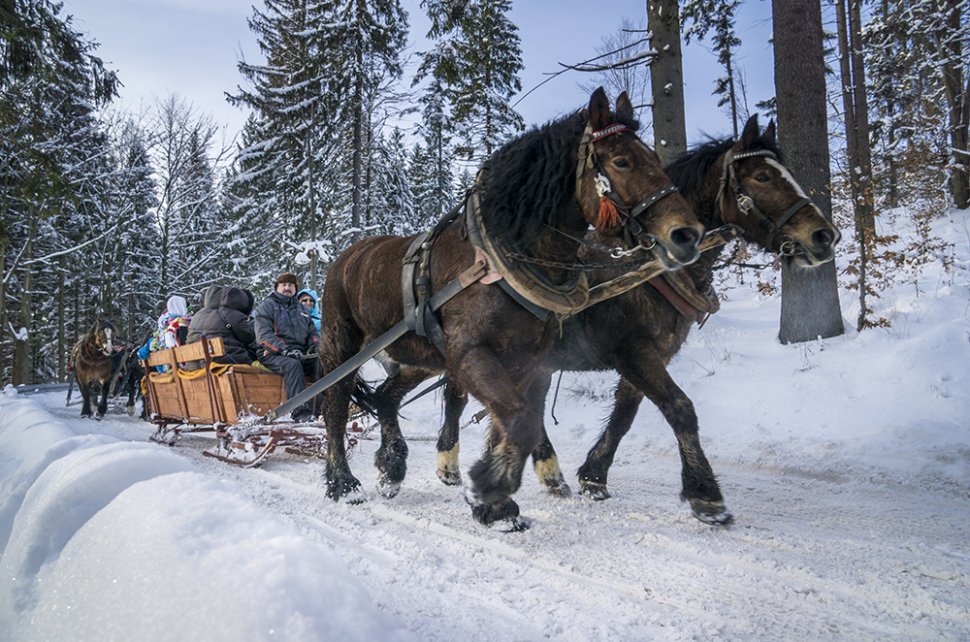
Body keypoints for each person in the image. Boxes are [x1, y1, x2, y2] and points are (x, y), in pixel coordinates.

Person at [254, 272, 319, 423]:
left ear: (295, 289)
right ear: (277, 287)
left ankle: (323, 409)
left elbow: (312, 333)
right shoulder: (268, 306)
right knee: (293, 365)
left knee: (321, 364)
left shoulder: (302, 309)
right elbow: (263, 335)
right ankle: (300, 412)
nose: (287, 288)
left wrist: (314, 346)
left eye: (290, 285)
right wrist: (284, 349)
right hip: (272, 352)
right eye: (283, 285)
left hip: (300, 353)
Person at [197, 286, 257, 364]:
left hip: (200, 361)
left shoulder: (200, 315)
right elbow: (249, 337)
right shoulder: (232, 314)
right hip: (228, 359)